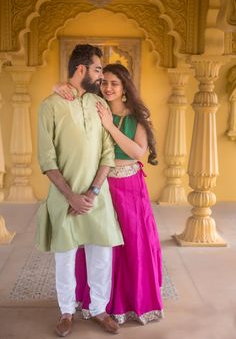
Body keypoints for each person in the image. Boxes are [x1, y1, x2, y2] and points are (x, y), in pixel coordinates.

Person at [54, 63, 164, 325]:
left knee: (132, 243)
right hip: (99, 184)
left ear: (125, 87)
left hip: (130, 186)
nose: (108, 87)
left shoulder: (138, 116)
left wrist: (109, 125)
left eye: (114, 83)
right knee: (98, 244)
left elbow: (139, 153)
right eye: (104, 82)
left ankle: (130, 303)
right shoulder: (92, 107)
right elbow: (67, 94)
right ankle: (97, 302)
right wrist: (56, 87)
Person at [35, 45, 124, 337]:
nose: (101, 76)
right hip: (64, 197)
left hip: (97, 196)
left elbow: (107, 154)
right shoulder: (50, 105)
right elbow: (47, 159)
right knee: (65, 255)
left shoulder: (99, 105)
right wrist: (71, 196)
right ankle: (66, 311)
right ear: (81, 70)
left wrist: (94, 191)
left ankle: (99, 309)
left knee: (102, 254)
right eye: (98, 69)